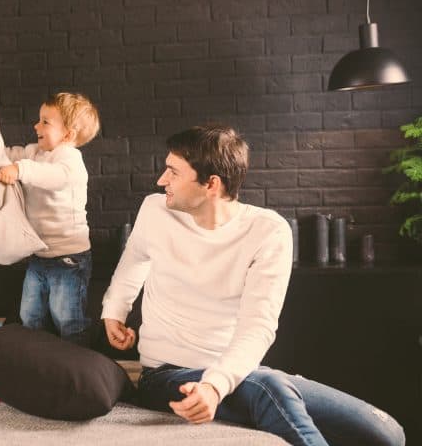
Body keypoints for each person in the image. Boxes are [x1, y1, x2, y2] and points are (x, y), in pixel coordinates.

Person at [101, 124, 405, 446]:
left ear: (211, 184)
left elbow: (258, 327)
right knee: (269, 387)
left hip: (240, 373)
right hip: (165, 374)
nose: (162, 180)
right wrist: (114, 311)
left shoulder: (268, 232)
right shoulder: (155, 210)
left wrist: (215, 385)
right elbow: (134, 259)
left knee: (387, 433)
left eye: (173, 172)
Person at [0, 92, 100, 342]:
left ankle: (77, 367)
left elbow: (55, 177)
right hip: (39, 256)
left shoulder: (69, 159)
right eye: (39, 120)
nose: (36, 126)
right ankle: (39, 364)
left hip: (68, 259)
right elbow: (12, 154)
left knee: (68, 319)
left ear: (68, 134)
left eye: (45, 122)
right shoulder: (35, 152)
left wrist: (19, 170)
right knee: (30, 316)